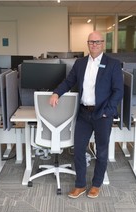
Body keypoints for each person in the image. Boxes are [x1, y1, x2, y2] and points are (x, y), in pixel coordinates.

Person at [49, 31, 123, 199]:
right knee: (79, 149)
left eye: (97, 42)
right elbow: (69, 82)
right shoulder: (80, 63)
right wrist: (56, 93)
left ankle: (96, 184)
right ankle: (80, 184)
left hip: (102, 114)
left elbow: (118, 91)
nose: (94, 45)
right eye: (91, 42)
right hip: (84, 113)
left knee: (102, 151)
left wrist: (108, 111)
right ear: (87, 44)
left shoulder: (112, 64)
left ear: (103, 43)